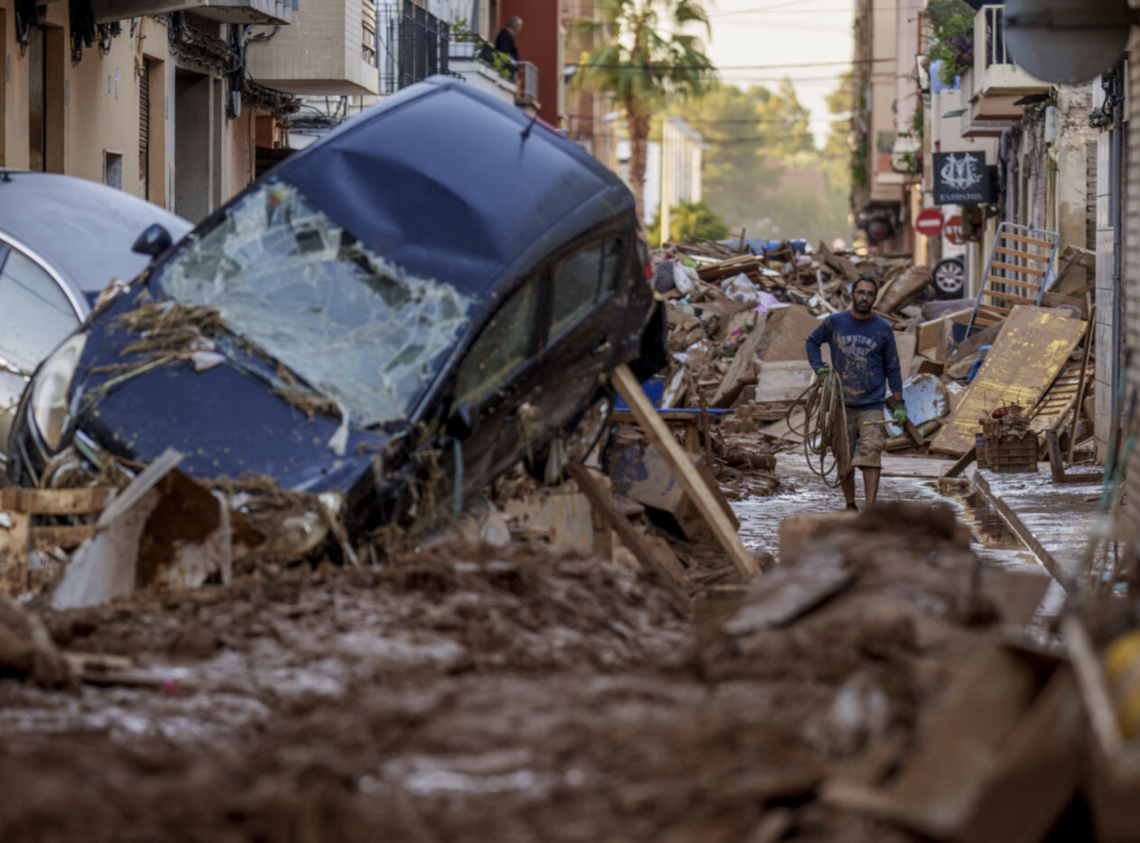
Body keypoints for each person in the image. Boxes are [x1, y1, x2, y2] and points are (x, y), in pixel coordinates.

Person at [805, 275, 906, 511]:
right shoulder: (834, 322)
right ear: (852, 294)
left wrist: (899, 404)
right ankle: (850, 505)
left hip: (872, 403)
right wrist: (819, 368)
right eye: (861, 292)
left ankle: (870, 508)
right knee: (844, 457)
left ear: (875, 298)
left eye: (870, 294)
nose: (865, 298)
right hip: (841, 402)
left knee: (871, 454)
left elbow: (893, 366)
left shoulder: (883, 329)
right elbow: (812, 341)